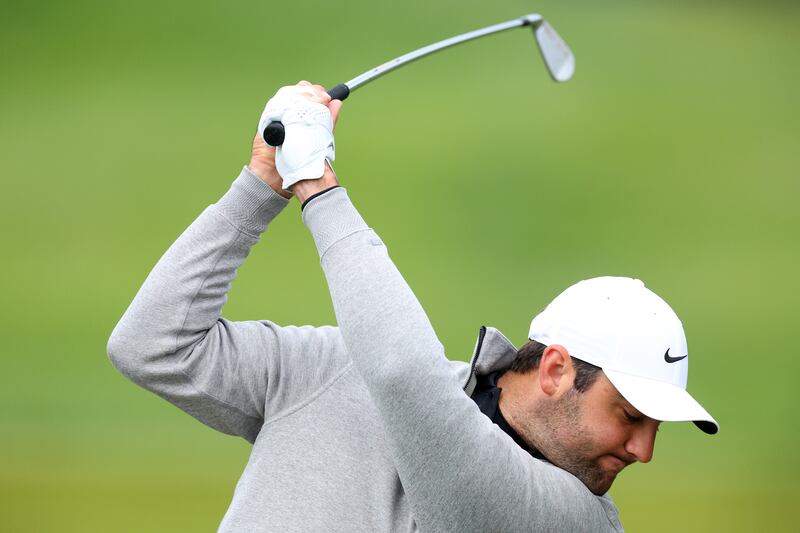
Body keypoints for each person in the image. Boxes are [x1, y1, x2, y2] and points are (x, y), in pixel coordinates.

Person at [107, 82, 718, 532]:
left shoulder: (578, 520)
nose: (644, 451)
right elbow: (154, 346)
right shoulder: (329, 369)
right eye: (631, 415)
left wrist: (317, 186)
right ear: (556, 370)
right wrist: (262, 184)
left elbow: (406, 381)